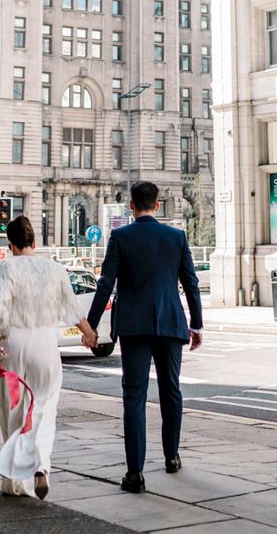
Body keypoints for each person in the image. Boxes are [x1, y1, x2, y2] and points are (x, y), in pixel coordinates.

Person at [86, 181, 203, 494]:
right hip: (170, 322)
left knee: (134, 396)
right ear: (158, 203)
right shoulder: (176, 237)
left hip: (135, 327)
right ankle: (172, 456)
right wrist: (197, 325)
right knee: (171, 390)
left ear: (131, 205)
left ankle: (135, 473)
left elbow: (105, 283)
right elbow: (191, 283)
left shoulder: (121, 237)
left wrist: (92, 325)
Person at [0, 215, 96, 500]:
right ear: (34, 242)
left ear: (11, 244)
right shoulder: (55, 269)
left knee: (14, 411)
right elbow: (73, 308)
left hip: (13, 347)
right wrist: (89, 334)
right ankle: (40, 465)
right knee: (43, 410)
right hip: (45, 347)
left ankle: (15, 483)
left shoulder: (7, 267)